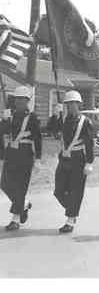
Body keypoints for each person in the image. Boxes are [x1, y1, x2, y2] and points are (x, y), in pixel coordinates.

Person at [0, 86, 42, 231]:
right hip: (11, 153)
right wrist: (4, 121)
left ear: (27, 101)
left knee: (20, 186)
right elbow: (3, 133)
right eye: (17, 99)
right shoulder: (10, 116)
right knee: (4, 183)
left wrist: (38, 158)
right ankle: (23, 203)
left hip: (25, 154)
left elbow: (38, 138)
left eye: (22, 99)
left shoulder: (33, 117)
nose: (19, 102)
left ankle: (15, 219)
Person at [53, 90, 94, 234]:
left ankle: (70, 220)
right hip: (64, 158)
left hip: (78, 159)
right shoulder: (63, 119)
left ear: (79, 104)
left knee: (75, 191)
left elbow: (89, 144)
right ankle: (72, 210)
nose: (70, 106)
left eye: (72, 103)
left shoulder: (86, 122)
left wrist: (89, 162)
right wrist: (55, 115)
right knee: (58, 191)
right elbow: (51, 130)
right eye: (67, 104)